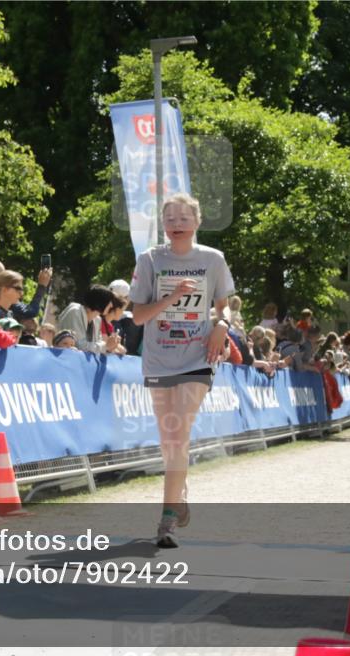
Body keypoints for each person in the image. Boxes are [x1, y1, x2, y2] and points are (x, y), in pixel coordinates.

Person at [129, 193, 234, 548]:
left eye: (183, 218)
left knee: (178, 431)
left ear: (197, 222)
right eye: (170, 218)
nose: (176, 224)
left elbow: (226, 307)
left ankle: (167, 519)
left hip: (197, 357)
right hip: (159, 358)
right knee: (169, 440)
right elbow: (139, 316)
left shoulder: (212, 259)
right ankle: (179, 492)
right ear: (163, 224)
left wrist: (222, 325)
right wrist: (171, 298)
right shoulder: (150, 260)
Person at [56, 285, 124, 354]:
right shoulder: (75, 311)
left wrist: (111, 347)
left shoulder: (97, 320)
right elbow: (78, 345)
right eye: (109, 301)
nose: (111, 305)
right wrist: (106, 346)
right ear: (101, 301)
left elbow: (98, 346)